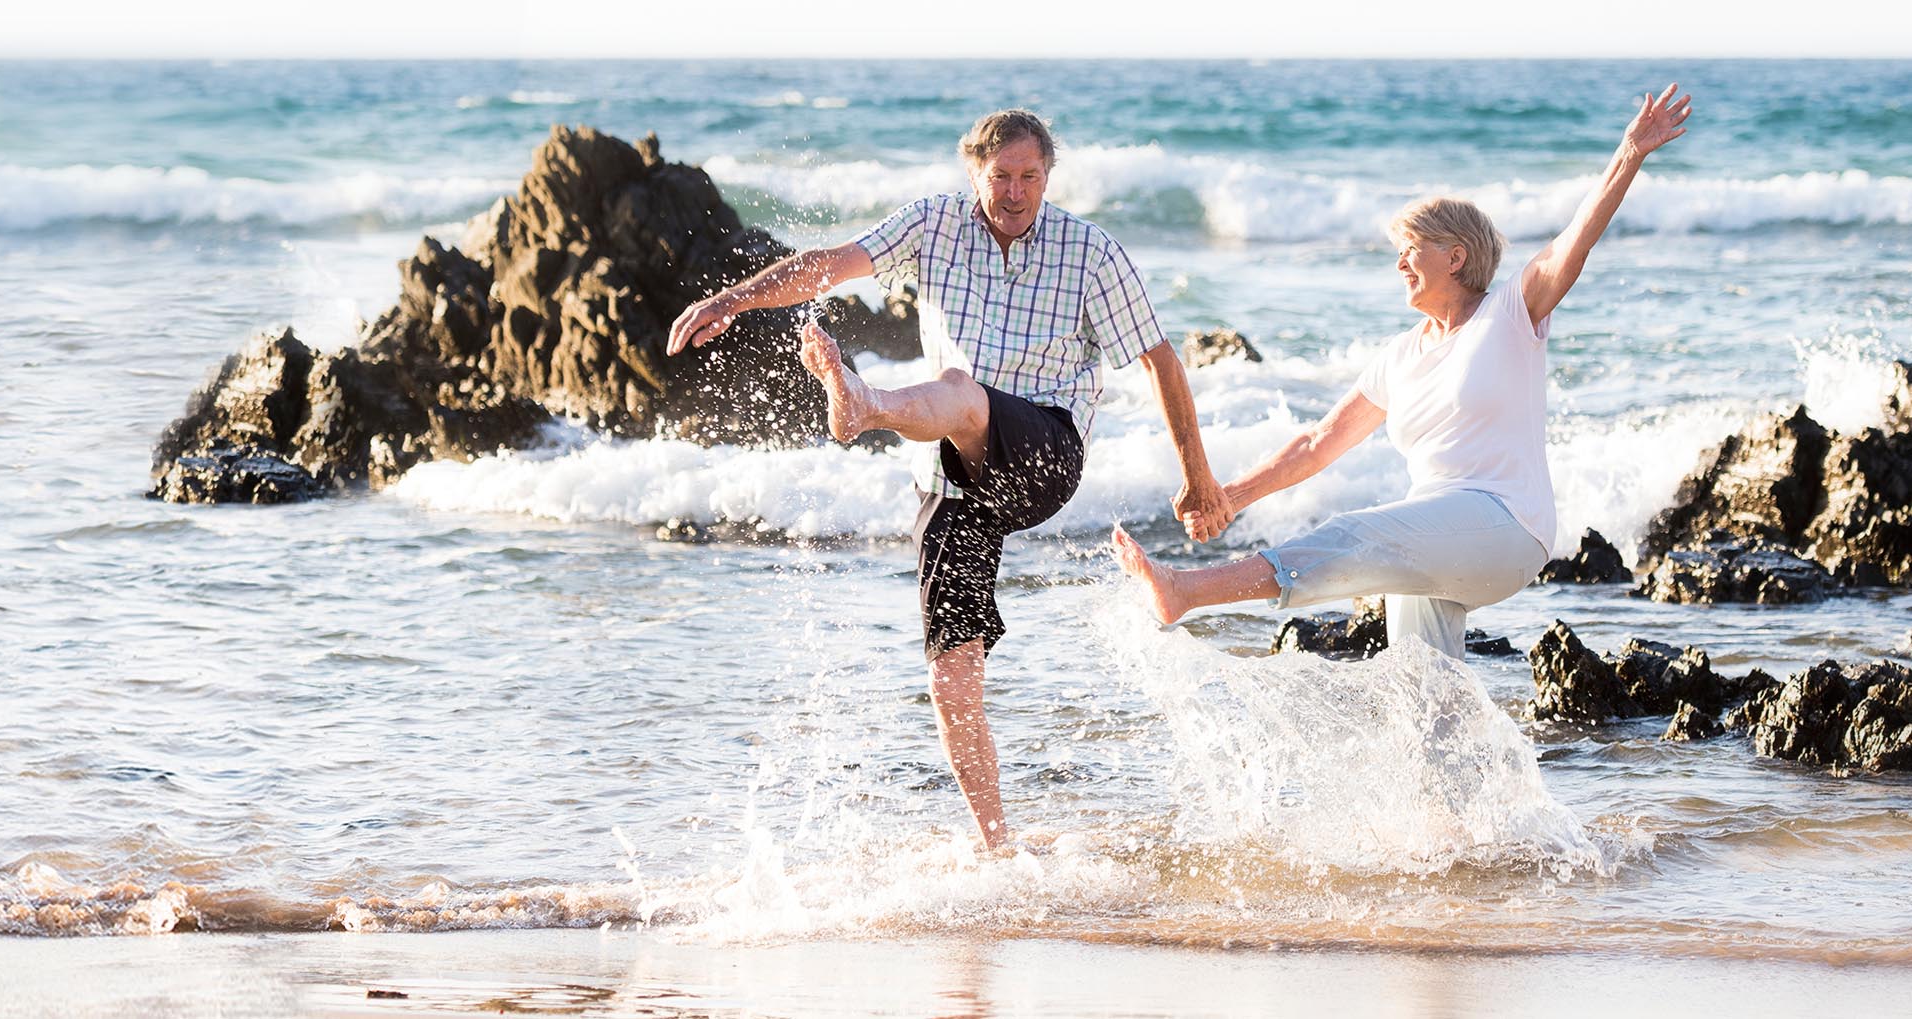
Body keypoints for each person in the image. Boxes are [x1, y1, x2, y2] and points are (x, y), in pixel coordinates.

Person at [667, 109, 1231, 850]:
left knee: (962, 390)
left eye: (1030, 176)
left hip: (1043, 452)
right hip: (950, 474)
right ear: (974, 173)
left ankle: (864, 402)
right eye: (1001, 177)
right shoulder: (932, 226)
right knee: (951, 670)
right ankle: (996, 844)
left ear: (1048, 177)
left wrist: (1200, 479)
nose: (1015, 192)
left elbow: (1160, 359)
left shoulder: (1090, 253)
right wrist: (730, 300)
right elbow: (829, 262)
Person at [1112, 84, 1695, 657]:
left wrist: (1629, 153)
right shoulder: (1399, 355)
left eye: (1409, 248)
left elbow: (1575, 241)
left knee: (1357, 534)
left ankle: (1185, 590)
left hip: (1508, 525)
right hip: (1434, 538)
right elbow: (1315, 445)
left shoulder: (1510, 313)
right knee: (1427, 697)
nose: (1398, 263)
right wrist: (1229, 497)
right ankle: (1481, 757)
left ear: (1455, 256)